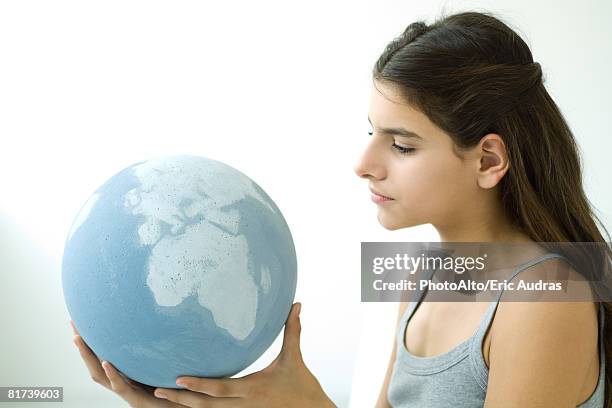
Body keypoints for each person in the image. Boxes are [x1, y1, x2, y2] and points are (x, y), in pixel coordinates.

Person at [72, 10, 612, 407]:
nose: (364, 163)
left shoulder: (546, 300)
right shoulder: (424, 272)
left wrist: (308, 403)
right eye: (373, 133)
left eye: (402, 145)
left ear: (489, 160)